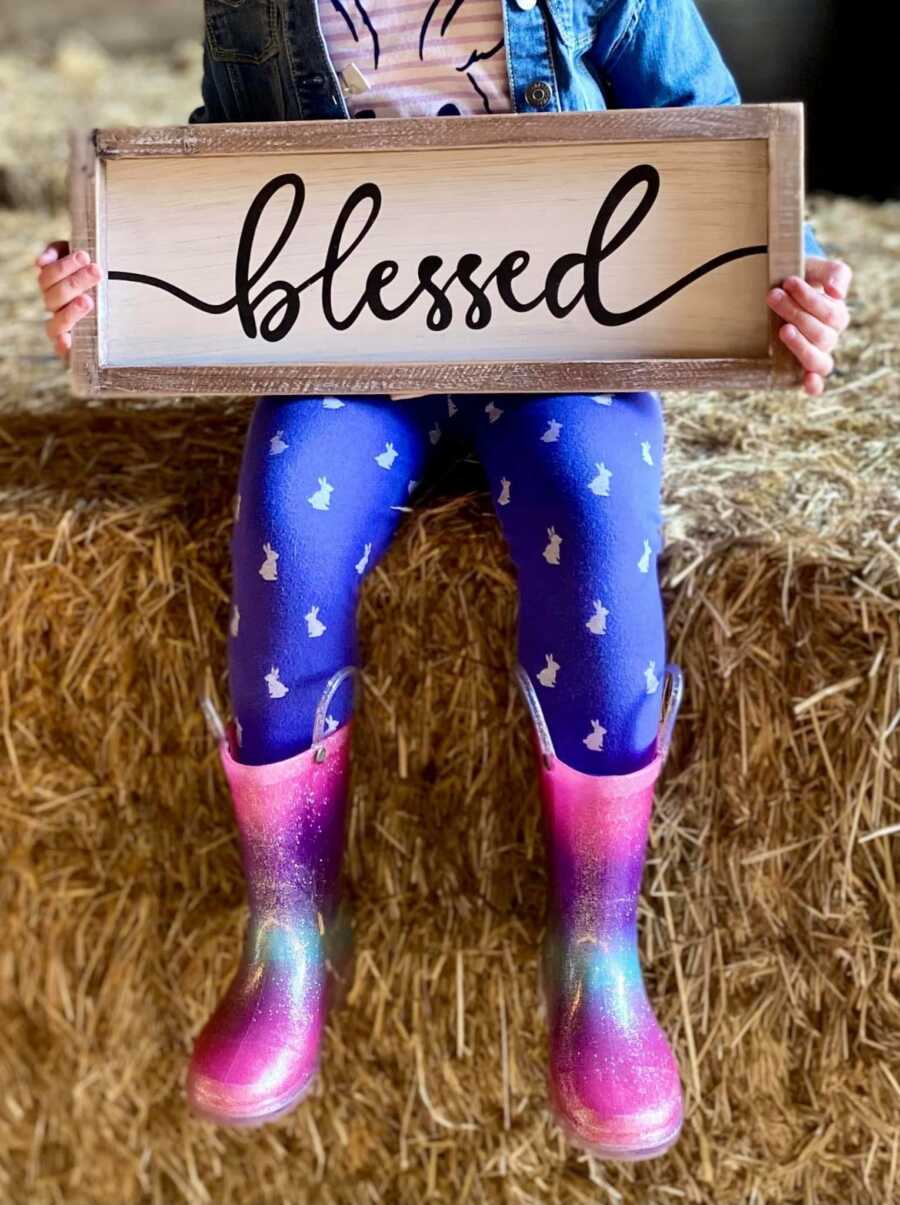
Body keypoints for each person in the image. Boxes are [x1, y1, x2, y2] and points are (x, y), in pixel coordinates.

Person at [36, 0, 852, 1159]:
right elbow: (230, 163)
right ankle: (291, 922)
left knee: (593, 509)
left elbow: (716, 134)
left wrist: (798, 278)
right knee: (287, 518)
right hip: (354, 349)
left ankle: (596, 943)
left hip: (573, 333)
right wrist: (124, 287)